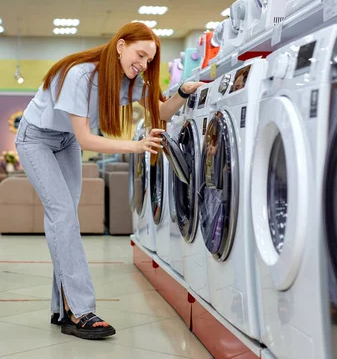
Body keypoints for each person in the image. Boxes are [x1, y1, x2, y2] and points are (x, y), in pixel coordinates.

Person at [15, 22, 204, 340]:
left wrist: (184, 92)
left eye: (148, 60)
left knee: (64, 220)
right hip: (35, 139)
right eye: (140, 54)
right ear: (121, 46)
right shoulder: (81, 74)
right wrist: (136, 146)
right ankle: (80, 311)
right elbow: (87, 139)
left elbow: (160, 110)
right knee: (63, 215)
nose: (143, 64)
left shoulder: (130, 81)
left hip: (65, 142)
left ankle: (62, 308)